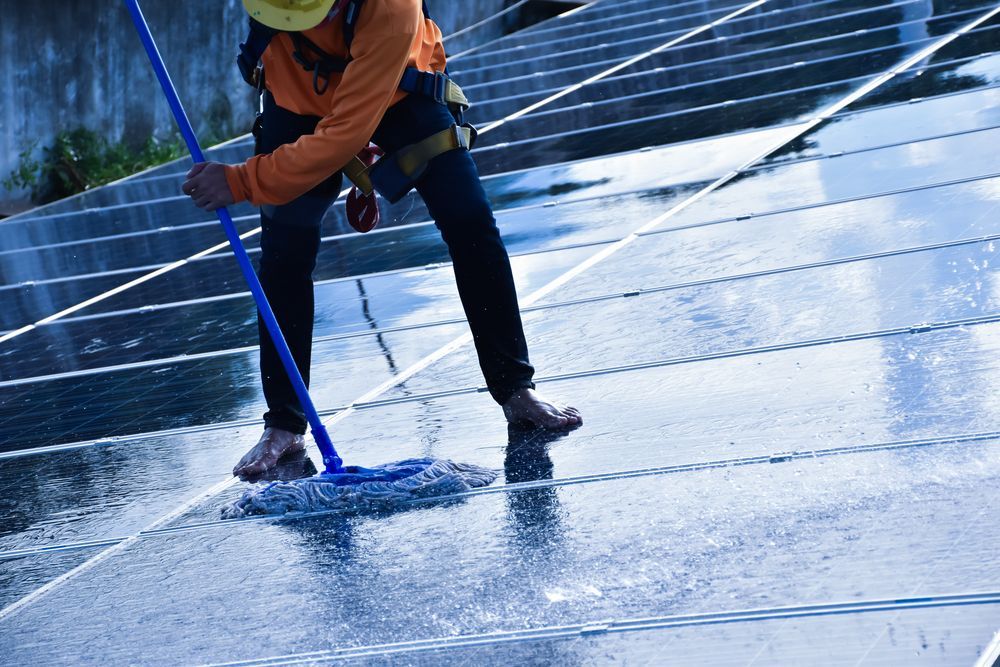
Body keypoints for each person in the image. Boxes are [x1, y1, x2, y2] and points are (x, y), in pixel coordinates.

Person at [181, 0, 581, 479]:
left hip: (398, 91)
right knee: (284, 256)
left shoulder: (390, 6)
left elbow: (344, 135)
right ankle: (284, 425)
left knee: (469, 220)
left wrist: (242, 180)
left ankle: (516, 390)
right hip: (296, 99)